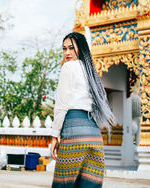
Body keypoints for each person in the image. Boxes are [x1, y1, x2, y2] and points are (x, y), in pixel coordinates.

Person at [51, 32, 115, 188]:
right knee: (89, 185)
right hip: (93, 134)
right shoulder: (91, 71)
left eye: (71, 48)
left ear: (81, 48)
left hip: (74, 130)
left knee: (64, 183)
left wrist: (54, 136)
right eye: (64, 49)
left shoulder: (69, 67)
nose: (67, 53)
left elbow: (62, 104)